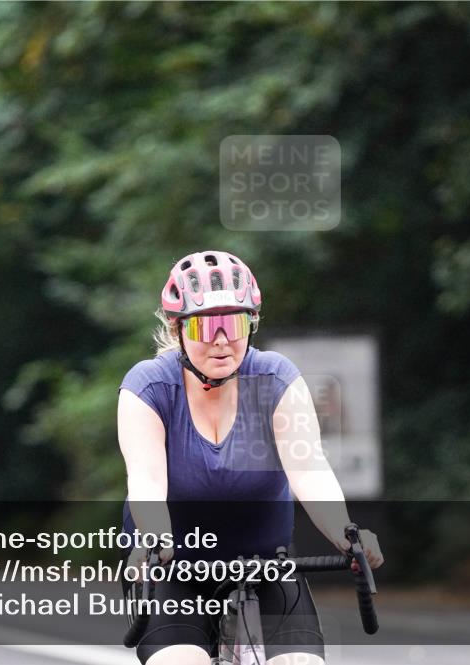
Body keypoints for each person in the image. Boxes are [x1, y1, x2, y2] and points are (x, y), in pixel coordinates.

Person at [118, 250, 383, 665]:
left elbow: (310, 471)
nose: (222, 340)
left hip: (265, 562)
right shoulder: (148, 386)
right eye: (207, 326)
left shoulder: (276, 378)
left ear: (252, 324)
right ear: (178, 327)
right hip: (173, 567)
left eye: (235, 323)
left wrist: (345, 533)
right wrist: (155, 541)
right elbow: (147, 480)